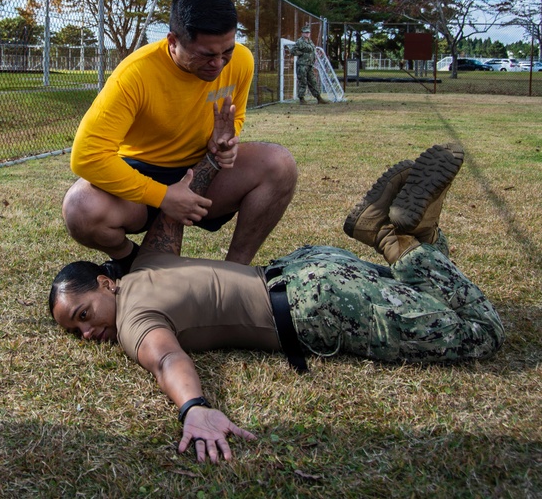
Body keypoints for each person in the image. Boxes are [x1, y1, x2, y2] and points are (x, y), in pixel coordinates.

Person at [50, 142, 505, 465]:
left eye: (83, 314)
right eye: (77, 331)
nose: (88, 333)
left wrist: (194, 408)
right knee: (429, 295)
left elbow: (167, 358)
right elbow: (184, 199)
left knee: (481, 331)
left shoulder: (134, 320)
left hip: (321, 304)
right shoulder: (152, 257)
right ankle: (417, 236)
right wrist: (212, 155)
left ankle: (390, 237)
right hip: (307, 266)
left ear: (107, 283)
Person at [62, 0, 297, 270]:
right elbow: (87, 156)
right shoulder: (135, 75)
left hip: (202, 170)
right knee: (80, 207)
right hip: (139, 173)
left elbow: (235, 116)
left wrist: (226, 142)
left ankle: (235, 272)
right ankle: (129, 260)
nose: (218, 63)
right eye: (206, 54)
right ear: (173, 41)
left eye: (227, 51)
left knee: (279, 164)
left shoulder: (241, 61)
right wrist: (163, 196)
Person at [288, 24, 328, 104]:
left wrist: (315, 56)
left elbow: (312, 51)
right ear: (302, 33)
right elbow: (292, 51)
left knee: (313, 81)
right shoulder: (300, 42)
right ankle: (301, 98)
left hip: (310, 65)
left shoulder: (310, 41)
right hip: (302, 65)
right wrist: (302, 54)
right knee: (302, 81)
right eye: (305, 32)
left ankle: (318, 98)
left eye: (308, 32)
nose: (307, 34)